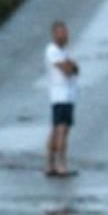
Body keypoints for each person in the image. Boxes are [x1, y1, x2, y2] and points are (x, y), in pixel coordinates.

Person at [45, 20, 78, 177]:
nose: (64, 35)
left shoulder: (64, 52)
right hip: (60, 95)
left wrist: (70, 65)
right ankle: (60, 164)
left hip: (68, 95)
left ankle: (51, 164)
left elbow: (75, 68)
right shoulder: (53, 51)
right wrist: (70, 65)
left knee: (57, 129)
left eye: (65, 32)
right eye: (61, 32)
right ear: (54, 34)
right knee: (61, 129)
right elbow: (67, 69)